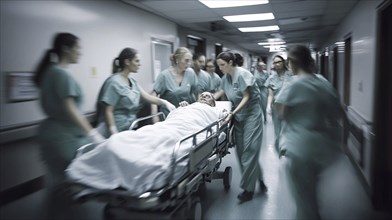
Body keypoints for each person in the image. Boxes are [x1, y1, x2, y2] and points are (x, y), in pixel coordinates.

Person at [66, 92, 225, 195]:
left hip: (187, 130)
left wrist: (220, 116)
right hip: (167, 127)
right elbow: (172, 117)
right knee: (121, 139)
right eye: (202, 96)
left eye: (208, 97)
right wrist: (181, 108)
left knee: (167, 145)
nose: (204, 97)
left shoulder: (212, 112)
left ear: (212, 103)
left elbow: (216, 123)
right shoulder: (187, 106)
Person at [33, 33, 105, 218]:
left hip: (52, 136)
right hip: (64, 139)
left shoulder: (50, 72)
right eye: (77, 48)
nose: (80, 53)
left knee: (58, 186)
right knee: (69, 188)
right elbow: (71, 109)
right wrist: (93, 133)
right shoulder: (61, 74)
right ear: (66, 48)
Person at [274, 45, 344, 219]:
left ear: (291, 64)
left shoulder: (293, 84)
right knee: (310, 194)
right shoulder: (322, 82)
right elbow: (338, 114)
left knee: (304, 201)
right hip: (320, 148)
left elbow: (281, 113)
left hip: (298, 149)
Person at [213, 51, 267, 203]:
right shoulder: (226, 78)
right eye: (219, 66)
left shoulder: (242, 74)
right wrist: (207, 99)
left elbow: (247, 96)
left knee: (250, 150)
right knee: (242, 151)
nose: (220, 68)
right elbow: (221, 92)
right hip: (238, 117)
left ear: (231, 63)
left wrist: (232, 112)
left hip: (251, 115)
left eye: (222, 65)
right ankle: (260, 179)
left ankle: (248, 190)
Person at [96, 48, 175, 137]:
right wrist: (113, 132)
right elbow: (108, 111)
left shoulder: (132, 82)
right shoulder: (114, 82)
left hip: (129, 129)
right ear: (127, 62)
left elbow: (148, 97)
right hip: (115, 131)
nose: (139, 64)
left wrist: (164, 102)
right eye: (137, 61)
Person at [152, 47, 198, 116]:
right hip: (169, 115)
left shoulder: (190, 73)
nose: (189, 63)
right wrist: (154, 116)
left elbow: (195, 93)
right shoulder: (164, 76)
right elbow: (153, 95)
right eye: (186, 60)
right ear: (177, 60)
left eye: (190, 61)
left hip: (186, 114)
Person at [265, 55, 293, 153]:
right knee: (278, 131)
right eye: (275, 62)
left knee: (289, 130)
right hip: (276, 108)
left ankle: (290, 150)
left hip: (290, 108)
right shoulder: (271, 78)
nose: (277, 64)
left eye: (279, 62)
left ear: (283, 62)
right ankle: (282, 151)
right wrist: (268, 105)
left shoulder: (291, 75)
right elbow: (270, 94)